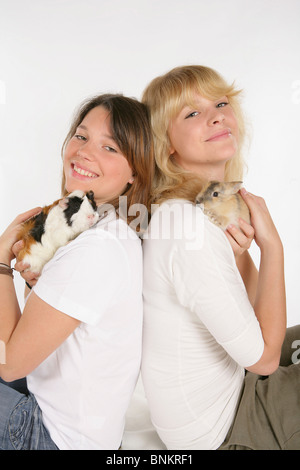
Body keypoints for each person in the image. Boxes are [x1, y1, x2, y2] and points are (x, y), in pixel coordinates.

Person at [141, 65, 300, 450]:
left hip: (233, 391)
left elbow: (256, 322)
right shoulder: (186, 227)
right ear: (166, 143)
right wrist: (273, 247)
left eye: (221, 102)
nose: (217, 116)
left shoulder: (203, 206)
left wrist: (243, 256)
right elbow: (262, 360)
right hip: (225, 429)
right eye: (192, 113)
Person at [0, 93, 154, 450]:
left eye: (110, 147)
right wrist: (30, 277)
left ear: (136, 172)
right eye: (81, 136)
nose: (84, 152)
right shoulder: (107, 227)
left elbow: (10, 364)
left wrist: (1, 263)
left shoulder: (97, 249)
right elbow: (35, 344)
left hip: (51, 436)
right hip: (68, 418)